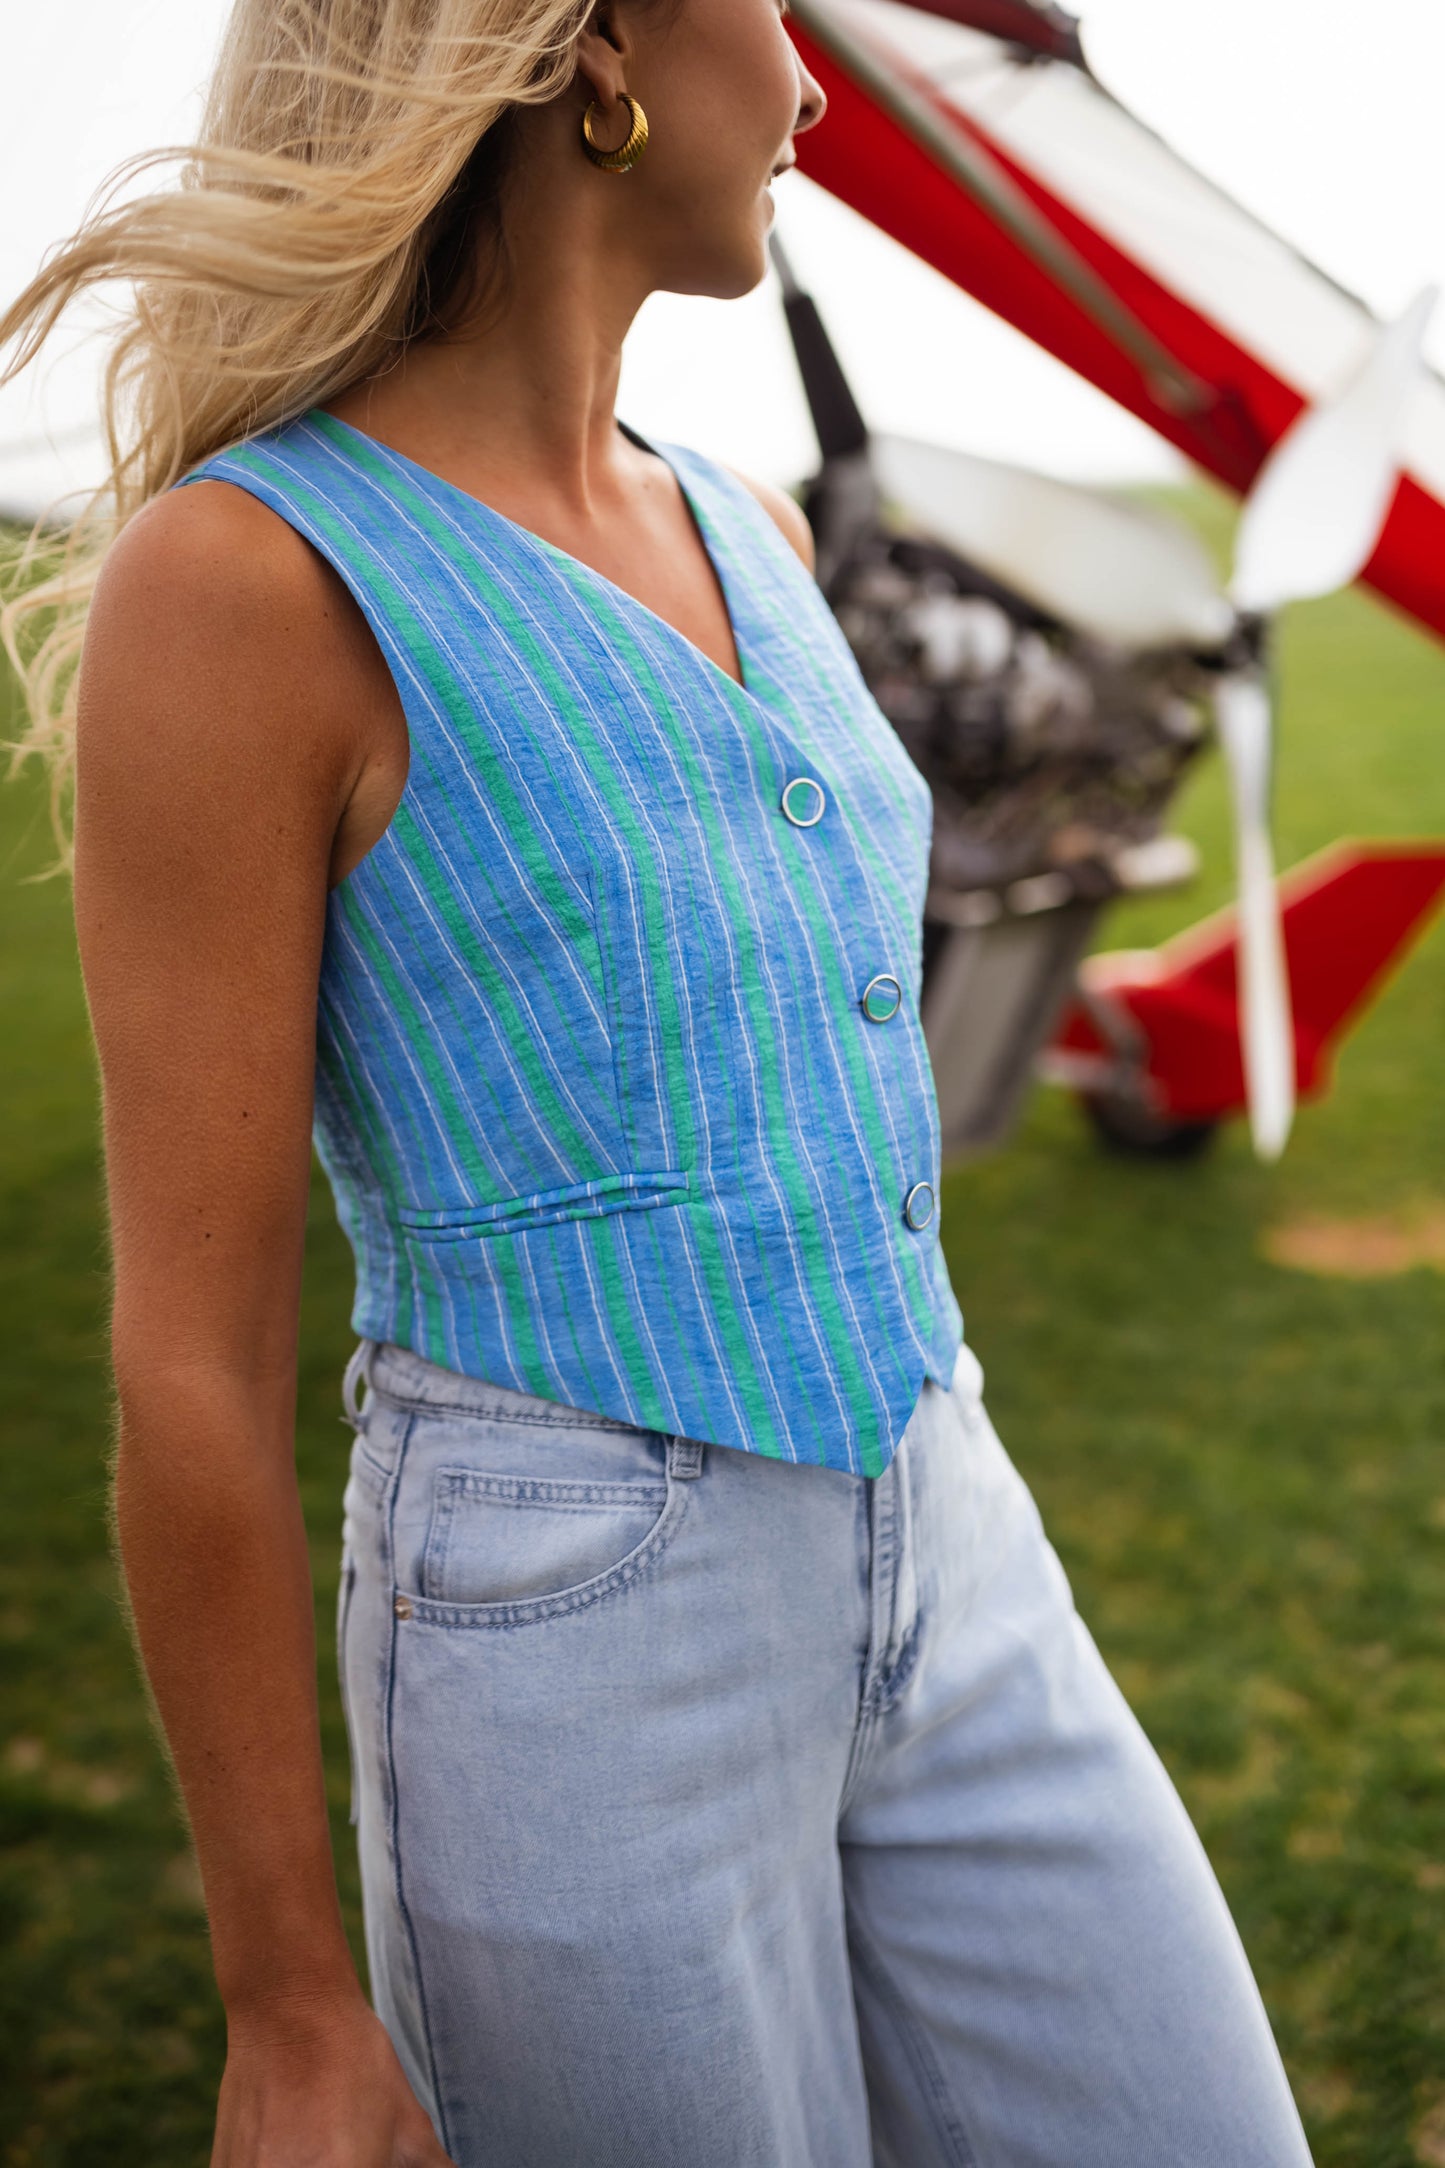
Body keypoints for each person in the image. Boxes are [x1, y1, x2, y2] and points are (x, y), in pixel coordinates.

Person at [1, 0, 1317, 2160]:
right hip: (575, 1641)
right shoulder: (244, 585)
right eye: (777, 6)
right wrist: (290, 2002)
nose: (811, 81)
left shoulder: (757, 533)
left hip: (949, 1516)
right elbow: (195, 1363)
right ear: (599, 45)